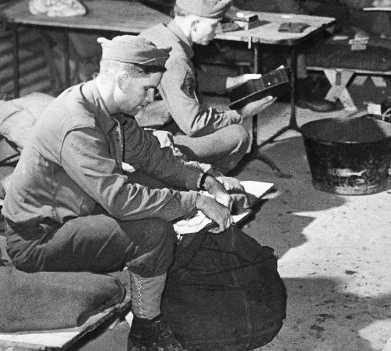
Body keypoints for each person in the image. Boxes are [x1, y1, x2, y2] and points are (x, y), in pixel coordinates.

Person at [3, 35, 235, 351]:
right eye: (146, 89)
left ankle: (143, 283)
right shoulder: (78, 123)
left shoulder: (110, 109)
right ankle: (146, 332)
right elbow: (120, 200)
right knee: (153, 231)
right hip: (37, 240)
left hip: (74, 213)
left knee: (153, 187)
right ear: (122, 78)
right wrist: (194, 202)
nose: (151, 98)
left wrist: (200, 178)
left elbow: (150, 156)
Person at [136, 0, 274, 174]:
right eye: (214, 25)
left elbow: (185, 78)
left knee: (210, 115)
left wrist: (232, 81)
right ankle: (203, 179)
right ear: (194, 23)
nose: (217, 31)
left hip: (131, 129)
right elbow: (194, 125)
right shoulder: (175, 58)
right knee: (237, 134)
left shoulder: (159, 34)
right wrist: (242, 113)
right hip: (141, 142)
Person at [243, 0, 339, 112]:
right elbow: (293, 11)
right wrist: (320, 25)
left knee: (325, 18)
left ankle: (305, 85)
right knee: (299, 37)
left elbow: (296, 5)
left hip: (277, 18)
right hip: (258, 24)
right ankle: (303, 93)